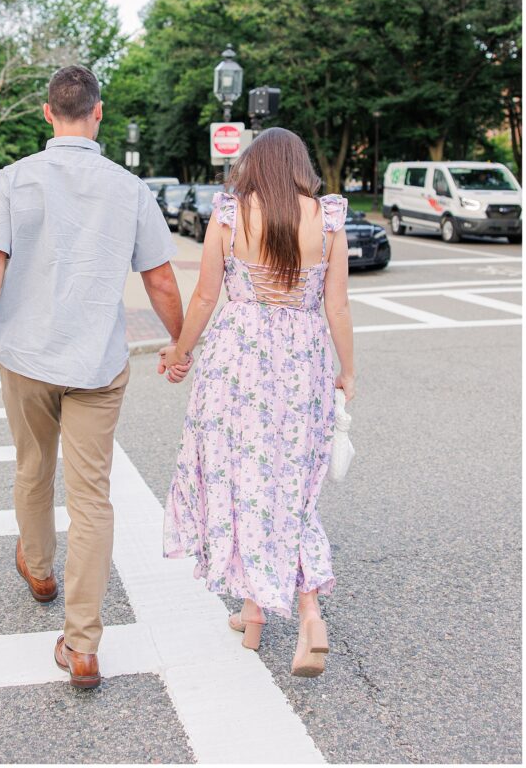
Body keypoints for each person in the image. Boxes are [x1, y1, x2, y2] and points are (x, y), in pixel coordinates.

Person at [0, 65, 187, 689]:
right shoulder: (129, 188)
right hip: (96, 363)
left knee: (33, 467)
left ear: (46, 113)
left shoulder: (13, 180)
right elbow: (160, 278)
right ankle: (82, 644)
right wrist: (179, 340)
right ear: (98, 112)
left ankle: (38, 569)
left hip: (27, 360)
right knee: (91, 498)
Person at [160, 127, 354, 678]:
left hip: (236, 360)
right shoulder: (327, 218)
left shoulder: (229, 216)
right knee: (290, 486)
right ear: (299, 166)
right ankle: (277, 615)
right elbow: (336, 308)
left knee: (242, 479)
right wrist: (348, 370)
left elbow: (204, 296)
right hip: (303, 361)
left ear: (251, 164)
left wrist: (179, 351)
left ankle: (279, 611)